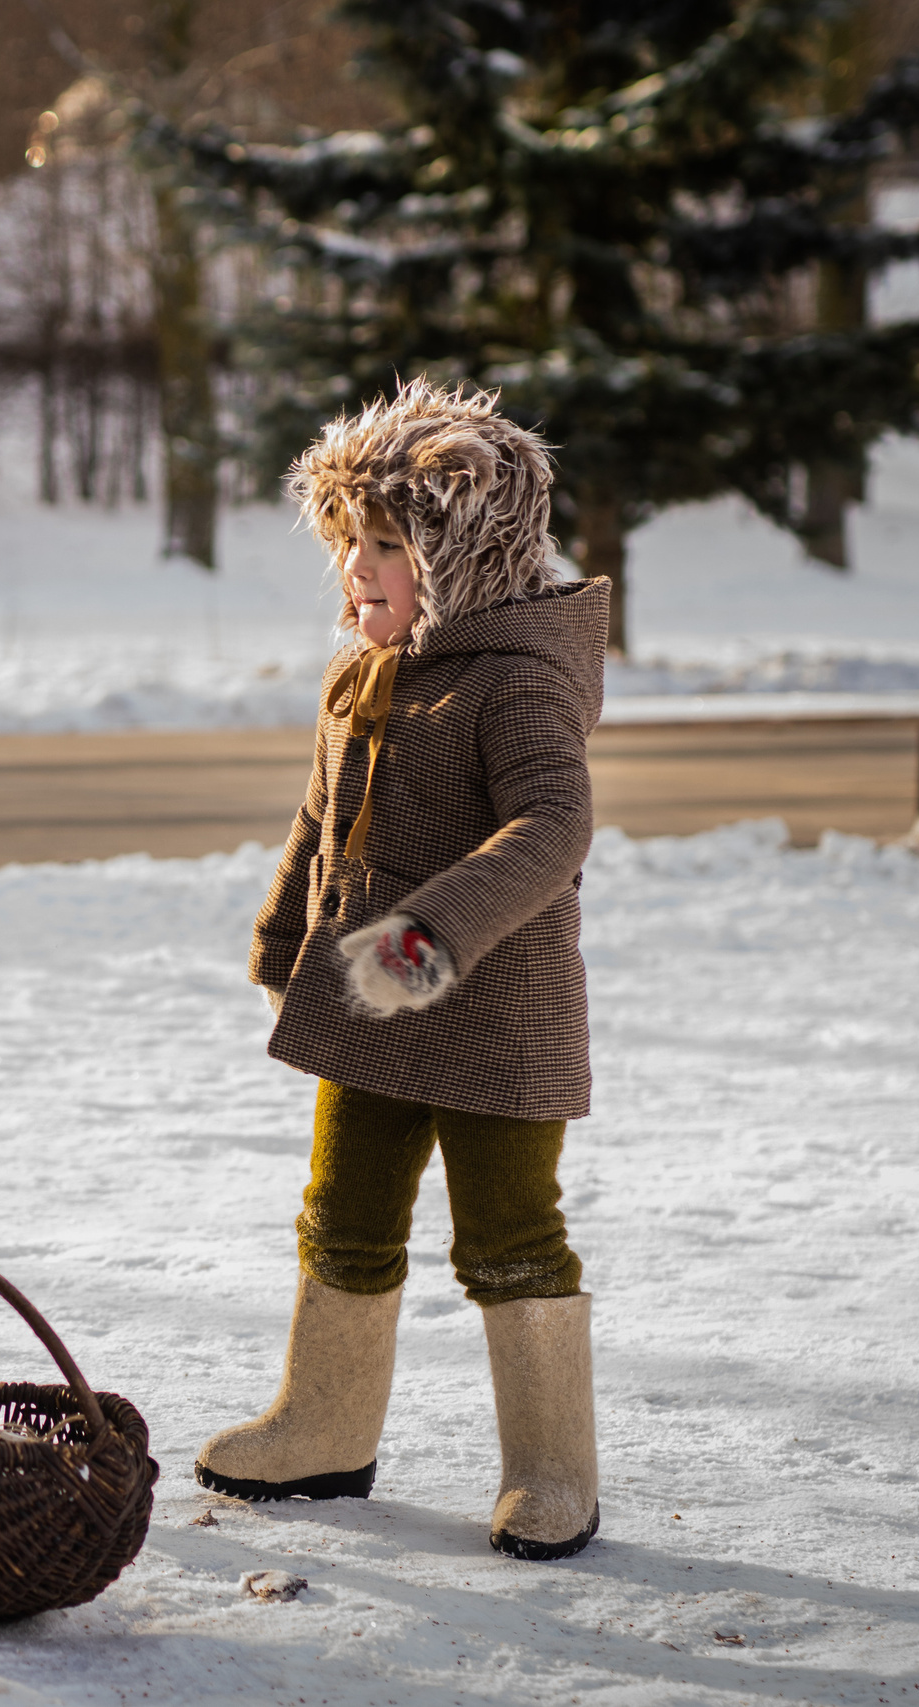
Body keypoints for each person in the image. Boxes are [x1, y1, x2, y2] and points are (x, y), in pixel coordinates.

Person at [193, 379, 610, 1560]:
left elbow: (550, 830)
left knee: (510, 1235)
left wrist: (428, 938)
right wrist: (285, 935)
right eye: (348, 543)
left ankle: (549, 1469)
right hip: (369, 1008)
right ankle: (322, 1426)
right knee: (343, 1216)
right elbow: (321, 819)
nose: (355, 569)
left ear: (461, 554)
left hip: (491, 1016)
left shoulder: (515, 681)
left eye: (385, 544)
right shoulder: (360, 674)